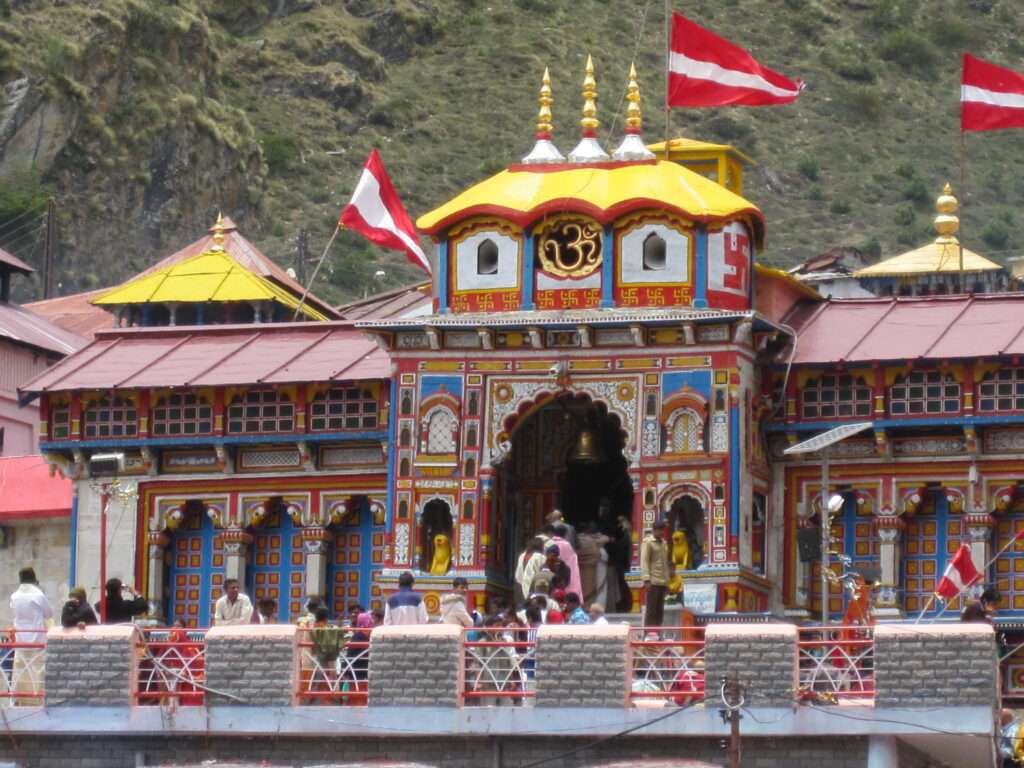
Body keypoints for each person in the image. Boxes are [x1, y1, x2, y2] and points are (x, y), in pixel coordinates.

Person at [9, 567, 51, 705]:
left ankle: (18, 699)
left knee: (20, 670)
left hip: (20, 640)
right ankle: (37, 700)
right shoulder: (38, 595)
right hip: (37, 639)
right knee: (37, 671)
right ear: (34, 578)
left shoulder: (14, 596)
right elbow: (48, 614)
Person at [641, 521, 671, 627]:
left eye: (663, 530)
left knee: (660, 610)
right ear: (654, 530)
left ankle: (657, 633)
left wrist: (667, 582)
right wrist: (646, 579)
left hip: (662, 581)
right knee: (651, 610)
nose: (662, 532)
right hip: (653, 581)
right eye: (660, 530)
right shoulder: (648, 542)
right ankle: (648, 634)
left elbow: (665, 563)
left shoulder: (664, 543)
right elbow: (644, 561)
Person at [577, 523, 609, 606]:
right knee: (600, 587)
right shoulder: (595, 543)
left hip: (590, 567)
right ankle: (597, 605)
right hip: (594, 567)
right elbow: (607, 539)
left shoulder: (583, 539)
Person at [551, 524, 583, 598]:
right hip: (564, 577)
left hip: (552, 574)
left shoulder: (549, 543)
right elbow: (573, 564)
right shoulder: (566, 545)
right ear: (565, 534)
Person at [514, 538, 546, 606]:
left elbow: (518, 575)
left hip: (521, 586)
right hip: (535, 588)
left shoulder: (522, 556)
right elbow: (543, 574)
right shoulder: (540, 557)